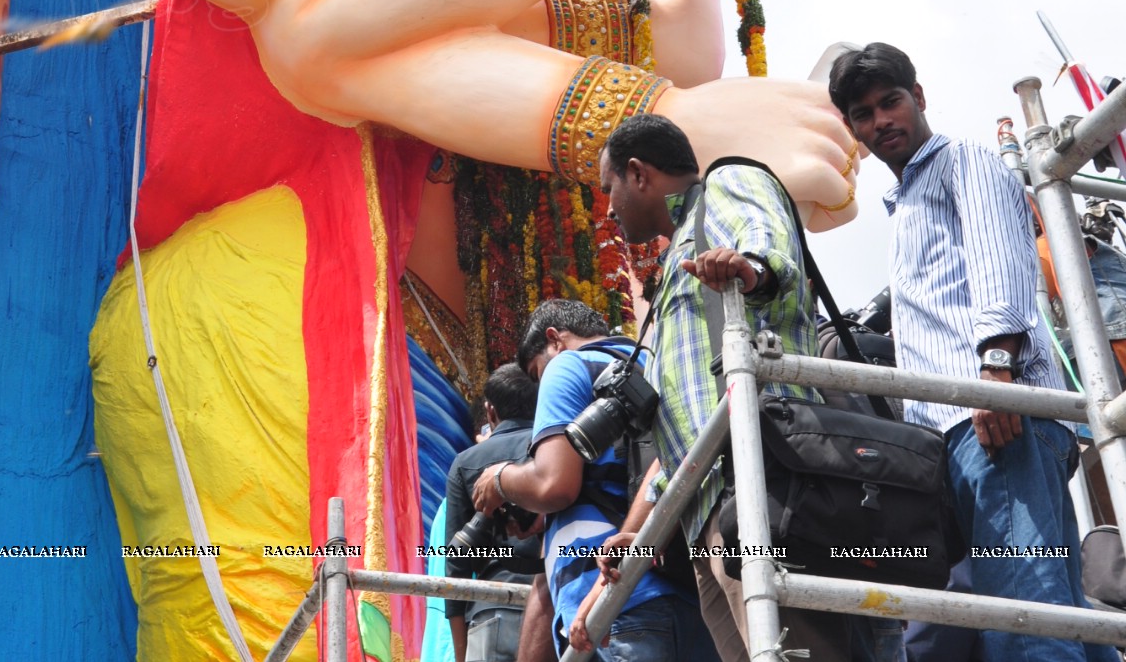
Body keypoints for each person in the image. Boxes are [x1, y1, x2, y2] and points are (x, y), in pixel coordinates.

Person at [829, 41, 1121, 662]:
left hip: (993, 418)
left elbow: (1002, 266)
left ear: (920, 98)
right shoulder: (906, 200)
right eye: (864, 114)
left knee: (1024, 619)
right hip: (969, 428)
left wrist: (995, 374)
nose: (881, 121)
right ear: (851, 128)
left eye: (892, 102)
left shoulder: (961, 161)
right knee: (1056, 615)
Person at [597, 113, 857, 662]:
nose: (609, 208)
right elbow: (688, 420)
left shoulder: (728, 182)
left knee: (792, 650)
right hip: (708, 513)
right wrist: (641, 531)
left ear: (639, 173)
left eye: (608, 188)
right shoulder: (674, 259)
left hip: (763, 482)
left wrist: (750, 269)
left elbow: (769, 251)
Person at [470, 298, 716, 660]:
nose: (542, 388)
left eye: (538, 374)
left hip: (617, 602)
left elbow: (555, 486)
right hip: (688, 589)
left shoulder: (567, 364)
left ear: (554, 339)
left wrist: (500, 480)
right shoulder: (654, 361)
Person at [443, 365, 543, 661]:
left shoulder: (465, 463)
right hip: (557, 601)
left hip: (492, 612)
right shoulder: (558, 451)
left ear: (490, 412)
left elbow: (457, 564)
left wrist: (461, 654)